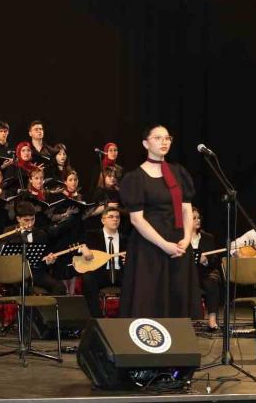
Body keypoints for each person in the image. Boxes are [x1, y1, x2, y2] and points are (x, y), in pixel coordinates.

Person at [118, 125, 200, 318]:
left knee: (177, 294)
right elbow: (137, 219)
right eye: (158, 138)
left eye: (167, 138)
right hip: (150, 245)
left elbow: (186, 208)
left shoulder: (178, 172)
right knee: (150, 298)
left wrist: (187, 238)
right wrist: (163, 244)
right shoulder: (135, 178)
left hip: (178, 243)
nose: (164, 142)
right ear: (145, 144)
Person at [0, 200, 65, 296]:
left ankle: (48, 306)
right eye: (26, 220)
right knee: (22, 287)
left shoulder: (41, 234)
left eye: (33, 219)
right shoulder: (9, 232)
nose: (30, 224)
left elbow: (43, 260)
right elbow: (1, 256)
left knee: (59, 286)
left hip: (35, 272)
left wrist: (48, 261)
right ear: (18, 219)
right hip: (15, 272)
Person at [79, 207, 127, 318]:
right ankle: (96, 318)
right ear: (103, 220)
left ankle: (125, 317)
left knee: (135, 278)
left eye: (117, 217)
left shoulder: (126, 239)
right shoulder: (92, 236)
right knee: (88, 278)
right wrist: (82, 249)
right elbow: (78, 245)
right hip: (100, 274)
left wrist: (130, 261)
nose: (115, 219)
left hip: (120, 274)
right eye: (111, 217)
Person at [191, 206, 221, 330]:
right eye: (194, 218)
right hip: (185, 273)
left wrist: (206, 260)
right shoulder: (179, 237)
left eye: (199, 218)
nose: (198, 220)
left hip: (204, 273)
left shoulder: (207, 237)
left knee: (211, 282)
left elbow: (214, 259)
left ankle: (212, 320)